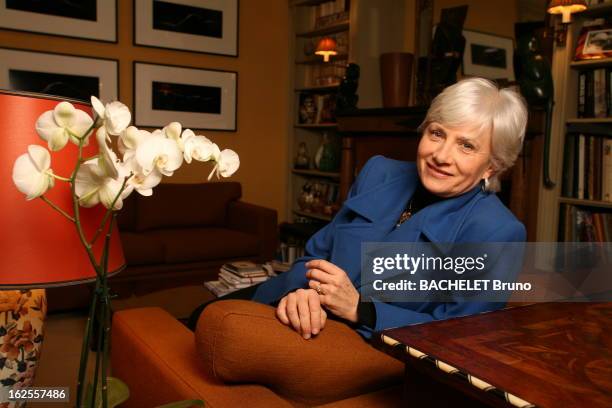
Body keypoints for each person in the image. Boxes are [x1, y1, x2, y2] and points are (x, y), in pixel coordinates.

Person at [190, 77, 528, 342]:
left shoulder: (497, 231)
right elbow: (315, 255)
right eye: (437, 133)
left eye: (466, 145)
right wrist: (304, 292)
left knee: (226, 340)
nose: (441, 155)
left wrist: (359, 309)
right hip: (293, 299)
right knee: (197, 318)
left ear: (492, 167)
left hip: (361, 341)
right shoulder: (379, 172)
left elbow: (458, 335)